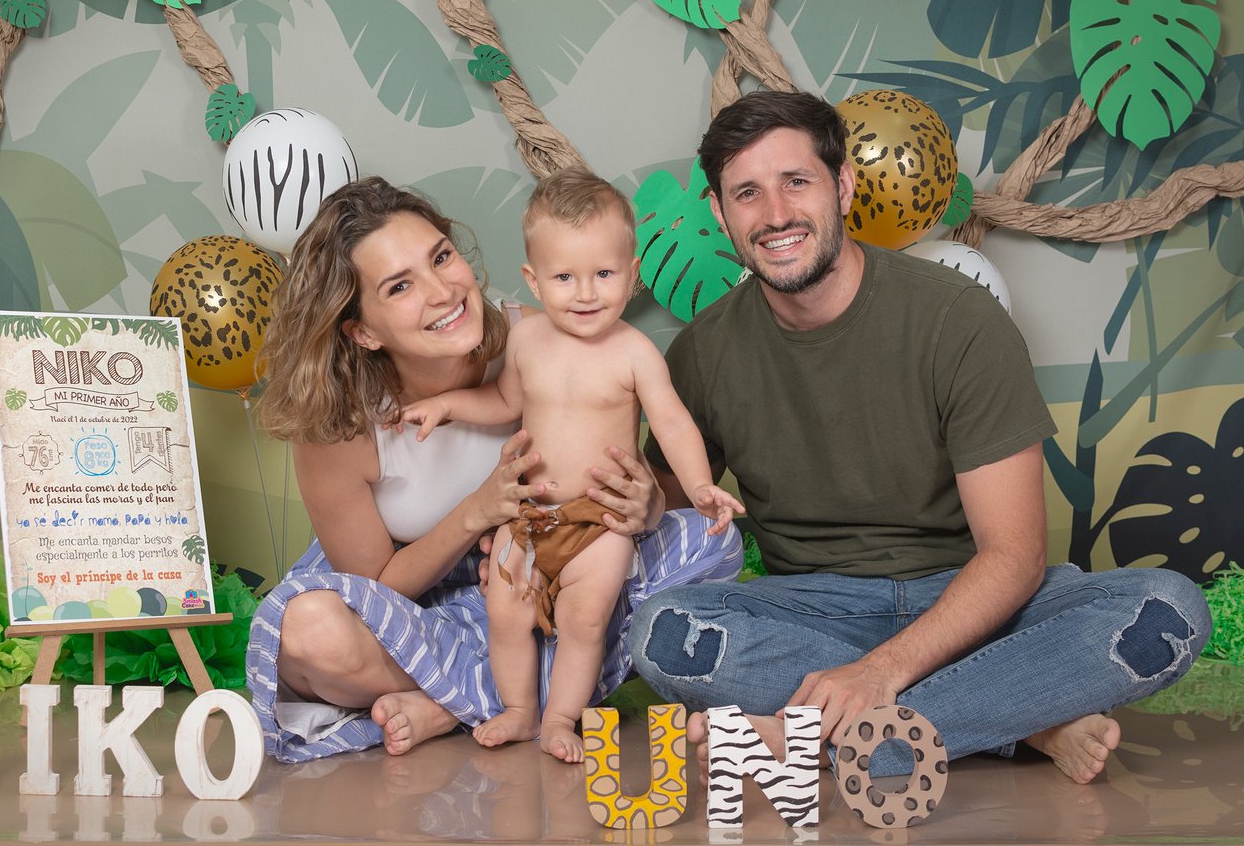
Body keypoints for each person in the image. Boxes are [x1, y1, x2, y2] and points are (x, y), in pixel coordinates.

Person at [625, 90, 1211, 784]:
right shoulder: (705, 350)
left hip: (966, 604)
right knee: (663, 632)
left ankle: (824, 737)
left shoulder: (958, 321)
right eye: (747, 193)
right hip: (816, 610)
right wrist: (632, 505)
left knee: (1166, 613)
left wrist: (881, 673)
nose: (776, 213)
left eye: (796, 182)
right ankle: (1021, 720)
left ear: (842, 187)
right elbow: (663, 505)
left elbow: (1015, 557)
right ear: (721, 215)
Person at [245, 176, 743, 763]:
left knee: (706, 547)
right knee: (310, 632)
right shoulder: (337, 426)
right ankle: (500, 698)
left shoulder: (542, 332)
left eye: (441, 257)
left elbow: (614, 459)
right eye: (401, 285)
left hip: (552, 572)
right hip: (418, 603)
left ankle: (456, 704)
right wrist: (478, 511)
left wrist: (646, 506)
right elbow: (375, 585)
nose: (441, 291)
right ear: (363, 329)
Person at [398, 169, 743, 761]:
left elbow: (672, 422)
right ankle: (519, 710)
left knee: (586, 620)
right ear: (534, 280)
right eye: (564, 278)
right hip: (529, 514)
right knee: (505, 613)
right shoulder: (526, 339)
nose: (585, 294)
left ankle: (561, 718)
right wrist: (446, 406)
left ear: (632, 276)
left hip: (600, 522)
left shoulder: (633, 353)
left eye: (604, 274)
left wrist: (700, 485)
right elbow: (504, 403)